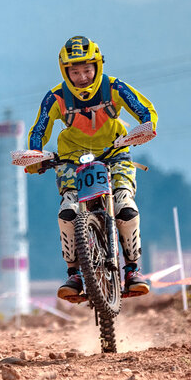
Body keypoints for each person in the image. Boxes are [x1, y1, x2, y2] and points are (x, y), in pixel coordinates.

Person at [26, 36, 158, 302]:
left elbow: (146, 111)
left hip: (115, 152)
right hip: (71, 159)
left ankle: (133, 269)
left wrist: (144, 129)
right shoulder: (56, 97)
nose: (83, 77)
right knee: (68, 211)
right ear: (65, 72)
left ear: (98, 66)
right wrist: (35, 156)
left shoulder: (114, 87)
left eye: (87, 70)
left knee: (125, 206)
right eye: (75, 72)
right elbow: (39, 129)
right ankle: (74, 274)